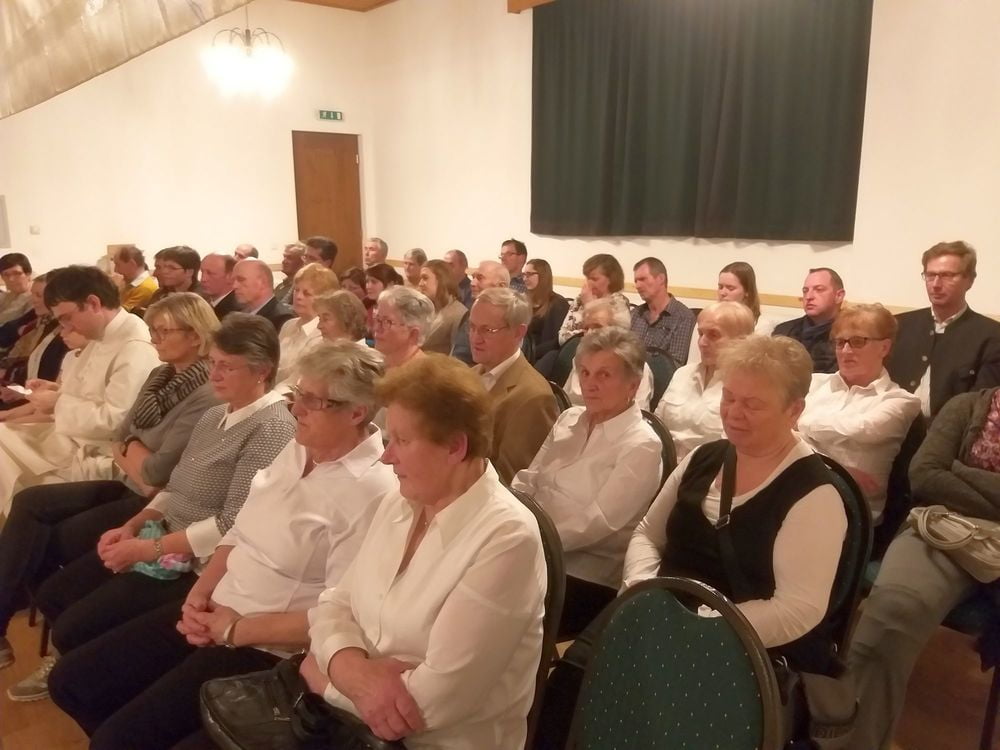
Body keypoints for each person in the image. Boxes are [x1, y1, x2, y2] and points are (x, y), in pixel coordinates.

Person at [49, 342, 395, 750]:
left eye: (312, 401)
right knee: (72, 681)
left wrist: (233, 629)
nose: (296, 408)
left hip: (265, 648)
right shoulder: (300, 445)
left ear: (356, 412)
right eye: (297, 393)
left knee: (116, 738)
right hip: (216, 610)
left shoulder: (373, 490)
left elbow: (337, 614)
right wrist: (199, 596)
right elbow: (240, 529)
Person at [536, 335, 847, 750]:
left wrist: (699, 629)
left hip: (742, 640)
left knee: (663, 724)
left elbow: (798, 608)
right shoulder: (705, 457)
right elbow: (648, 533)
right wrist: (640, 589)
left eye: (752, 404)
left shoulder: (815, 495)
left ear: (794, 410)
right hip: (657, 612)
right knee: (569, 689)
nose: (733, 412)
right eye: (729, 397)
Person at [9, 314, 297, 701]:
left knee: (75, 625)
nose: (213, 374)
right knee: (56, 591)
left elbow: (233, 523)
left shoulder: (272, 426)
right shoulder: (216, 413)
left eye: (227, 366)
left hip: (196, 564)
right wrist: (133, 524)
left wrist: (148, 548)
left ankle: (88, 675)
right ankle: (78, 665)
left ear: (262, 371)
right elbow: (173, 485)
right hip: (161, 536)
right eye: (212, 362)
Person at [300, 353, 546, 749]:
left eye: (401, 440)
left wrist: (324, 676)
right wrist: (350, 668)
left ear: (455, 447)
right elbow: (334, 604)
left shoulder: (507, 537)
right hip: (348, 730)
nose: (386, 455)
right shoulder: (400, 502)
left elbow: (433, 704)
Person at [0, 293, 221, 677]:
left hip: (154, 497)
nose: (155, 338)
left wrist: (132, 451)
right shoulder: (160, 375)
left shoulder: (206, 393)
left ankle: (66, 647)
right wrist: (133, 451)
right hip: (131, 482)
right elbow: (121, 435)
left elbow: (156, 472)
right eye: (153, 329)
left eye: (164, 331)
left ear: (195, 335)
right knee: (30, 503)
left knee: (53, 541)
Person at [846, 386, 1000, 750]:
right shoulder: (965, 406)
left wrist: (959, 472)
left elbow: (941, 473)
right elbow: (926, 474)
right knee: (891, 615)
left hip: (965, 516)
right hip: (944, 526)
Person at [512, 327, 662, 636]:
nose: (590, 384)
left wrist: (531, 540)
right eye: (585, 372)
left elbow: (598, 523)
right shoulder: (569, 419)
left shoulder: (642, 445)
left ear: (633, 385)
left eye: (604, 375)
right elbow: (529, 479)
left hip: (583, 574)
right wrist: (507, 519)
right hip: (531, 546)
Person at [0, 266, 160, 514]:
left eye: (66, 318)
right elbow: (88, 391)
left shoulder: (135, 346)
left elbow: (117, 421)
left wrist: (57, 403)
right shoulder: (103, 335)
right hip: (69, 437)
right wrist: (56, 390)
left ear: (93, 303)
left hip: (98, 450)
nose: (65, 327)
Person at [797, 304, 922, 519]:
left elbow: (860, 429)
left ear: (884, 348)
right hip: (796, 491)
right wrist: (836, 471)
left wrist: (799, 423)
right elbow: (774, 435)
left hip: (850, 511)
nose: (845, 351)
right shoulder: (813, 383)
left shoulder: (901, 401)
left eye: (857, 342)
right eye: (840, 342)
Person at [887, 241, 1000, 419]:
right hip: (887, 424)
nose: (936, 284)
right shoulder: (898, 324)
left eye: (947, 275)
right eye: (930, 275)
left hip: (948, 432)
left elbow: (980, 405)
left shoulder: (992, 335)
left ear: (970, 280)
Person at [470, 287, 558, 483]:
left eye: (487, 330)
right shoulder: (472, 374)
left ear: (518, 332)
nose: (475, 338)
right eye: (472, 327)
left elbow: (511, 479)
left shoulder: (534, 397)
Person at [656, 301, 756, 461]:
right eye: (700, 333)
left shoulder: (748, 387)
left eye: (713, 335)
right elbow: (657, 427)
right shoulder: (683, 374)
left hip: (710, 469)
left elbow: (734, 450)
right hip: (663, 463)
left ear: (741, 340)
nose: (702, 342)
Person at [564, 299, 655, 410]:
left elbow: (639, 413)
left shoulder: (635, 366)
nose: (589, 334)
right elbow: (565, 400)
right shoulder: (582, 359)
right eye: (586, 328)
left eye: (597, 327)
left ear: (619, 330)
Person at [275, 263, 340, 392]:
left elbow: (297, 380)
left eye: (307, 293)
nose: (298, 297)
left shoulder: (323, 334)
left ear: (323, 299)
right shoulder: (288, 325)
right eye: (296, 290)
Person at [0, 273, 69, 392]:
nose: (33, 300)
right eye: (32, 294)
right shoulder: (44, 319)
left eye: (39, 295)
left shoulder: (63, 331)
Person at [772, 267, 845, 373]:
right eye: (805, 291)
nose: (809, 297)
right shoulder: (783, 332)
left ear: (839, 296)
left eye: (819, 290)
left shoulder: (851, 337)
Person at [629, 256, 696, 366]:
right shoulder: (635, 314)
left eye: (643, 279)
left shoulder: (683, 317)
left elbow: (675, 364)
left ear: (661, 279)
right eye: (636, 281)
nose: (637, 286)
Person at [558, 254, 630, 346]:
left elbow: (609, 338)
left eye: (594, 279)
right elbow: (562, 337)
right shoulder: (579, 299)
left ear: (611, 279)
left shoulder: (619, 302)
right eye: (587, 278)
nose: (588, 283)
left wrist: (590, 305)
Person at [450, 260, 510, 365]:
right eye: (473, 277)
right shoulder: (472, 313)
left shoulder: (511, 319)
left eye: (480, 278)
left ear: (501, 286)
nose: (472, 283)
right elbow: (459, 354)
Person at [373, 286, 433, 370]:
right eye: (377, 319)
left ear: (413, 334)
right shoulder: (377, 366)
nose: (376, 328)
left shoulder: (426, 374)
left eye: (386, 322)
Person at [523, 258, 569, 362]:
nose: (525, 278)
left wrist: (528, 353)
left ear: (543, 276)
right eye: (524, 274)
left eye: (529, 274)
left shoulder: (558, 303)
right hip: (523, 353)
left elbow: (554, 342)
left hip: (541, 357)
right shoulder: (525, 300)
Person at [418, 259, 467, 354]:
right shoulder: (425, 309)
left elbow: (456, 355)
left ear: (441, 280)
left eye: (425, 278)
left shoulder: (458, 314)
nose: (420, 283)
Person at [232, 259, 295, 332]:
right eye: (233, 280)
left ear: (262, 282)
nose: (234, 286)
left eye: (241, 279)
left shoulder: (282, 320)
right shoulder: (238, 314)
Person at [717, 261, 776, 335]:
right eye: (720, 287)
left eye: (730, 288)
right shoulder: (711, 319)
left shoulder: (761, 325)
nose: (722, 293)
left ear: (747, 291)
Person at [144, 246, 202, 311]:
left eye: (172, 268)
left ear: (189, 272)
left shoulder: (199, 299)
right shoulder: (160, 293)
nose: (164, 272)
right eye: (165, 267)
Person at [111, 246, 158, 313]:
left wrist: (113, 289)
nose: (115, 270)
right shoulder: (130, 284)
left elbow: (118, 314)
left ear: (131, 264)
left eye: (118, 265)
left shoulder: (145, 288)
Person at [199, 253, 240, 320]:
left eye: (210, 273)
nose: (203, 279)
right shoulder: (203, 302)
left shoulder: (234, 312)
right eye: (202, 272)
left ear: (230, 276)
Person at [0, 252, 34, 325]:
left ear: (28, 274)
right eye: (6, 274)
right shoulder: (7, 295)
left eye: (16, 273)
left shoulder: (35, 298)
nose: (11, 279)